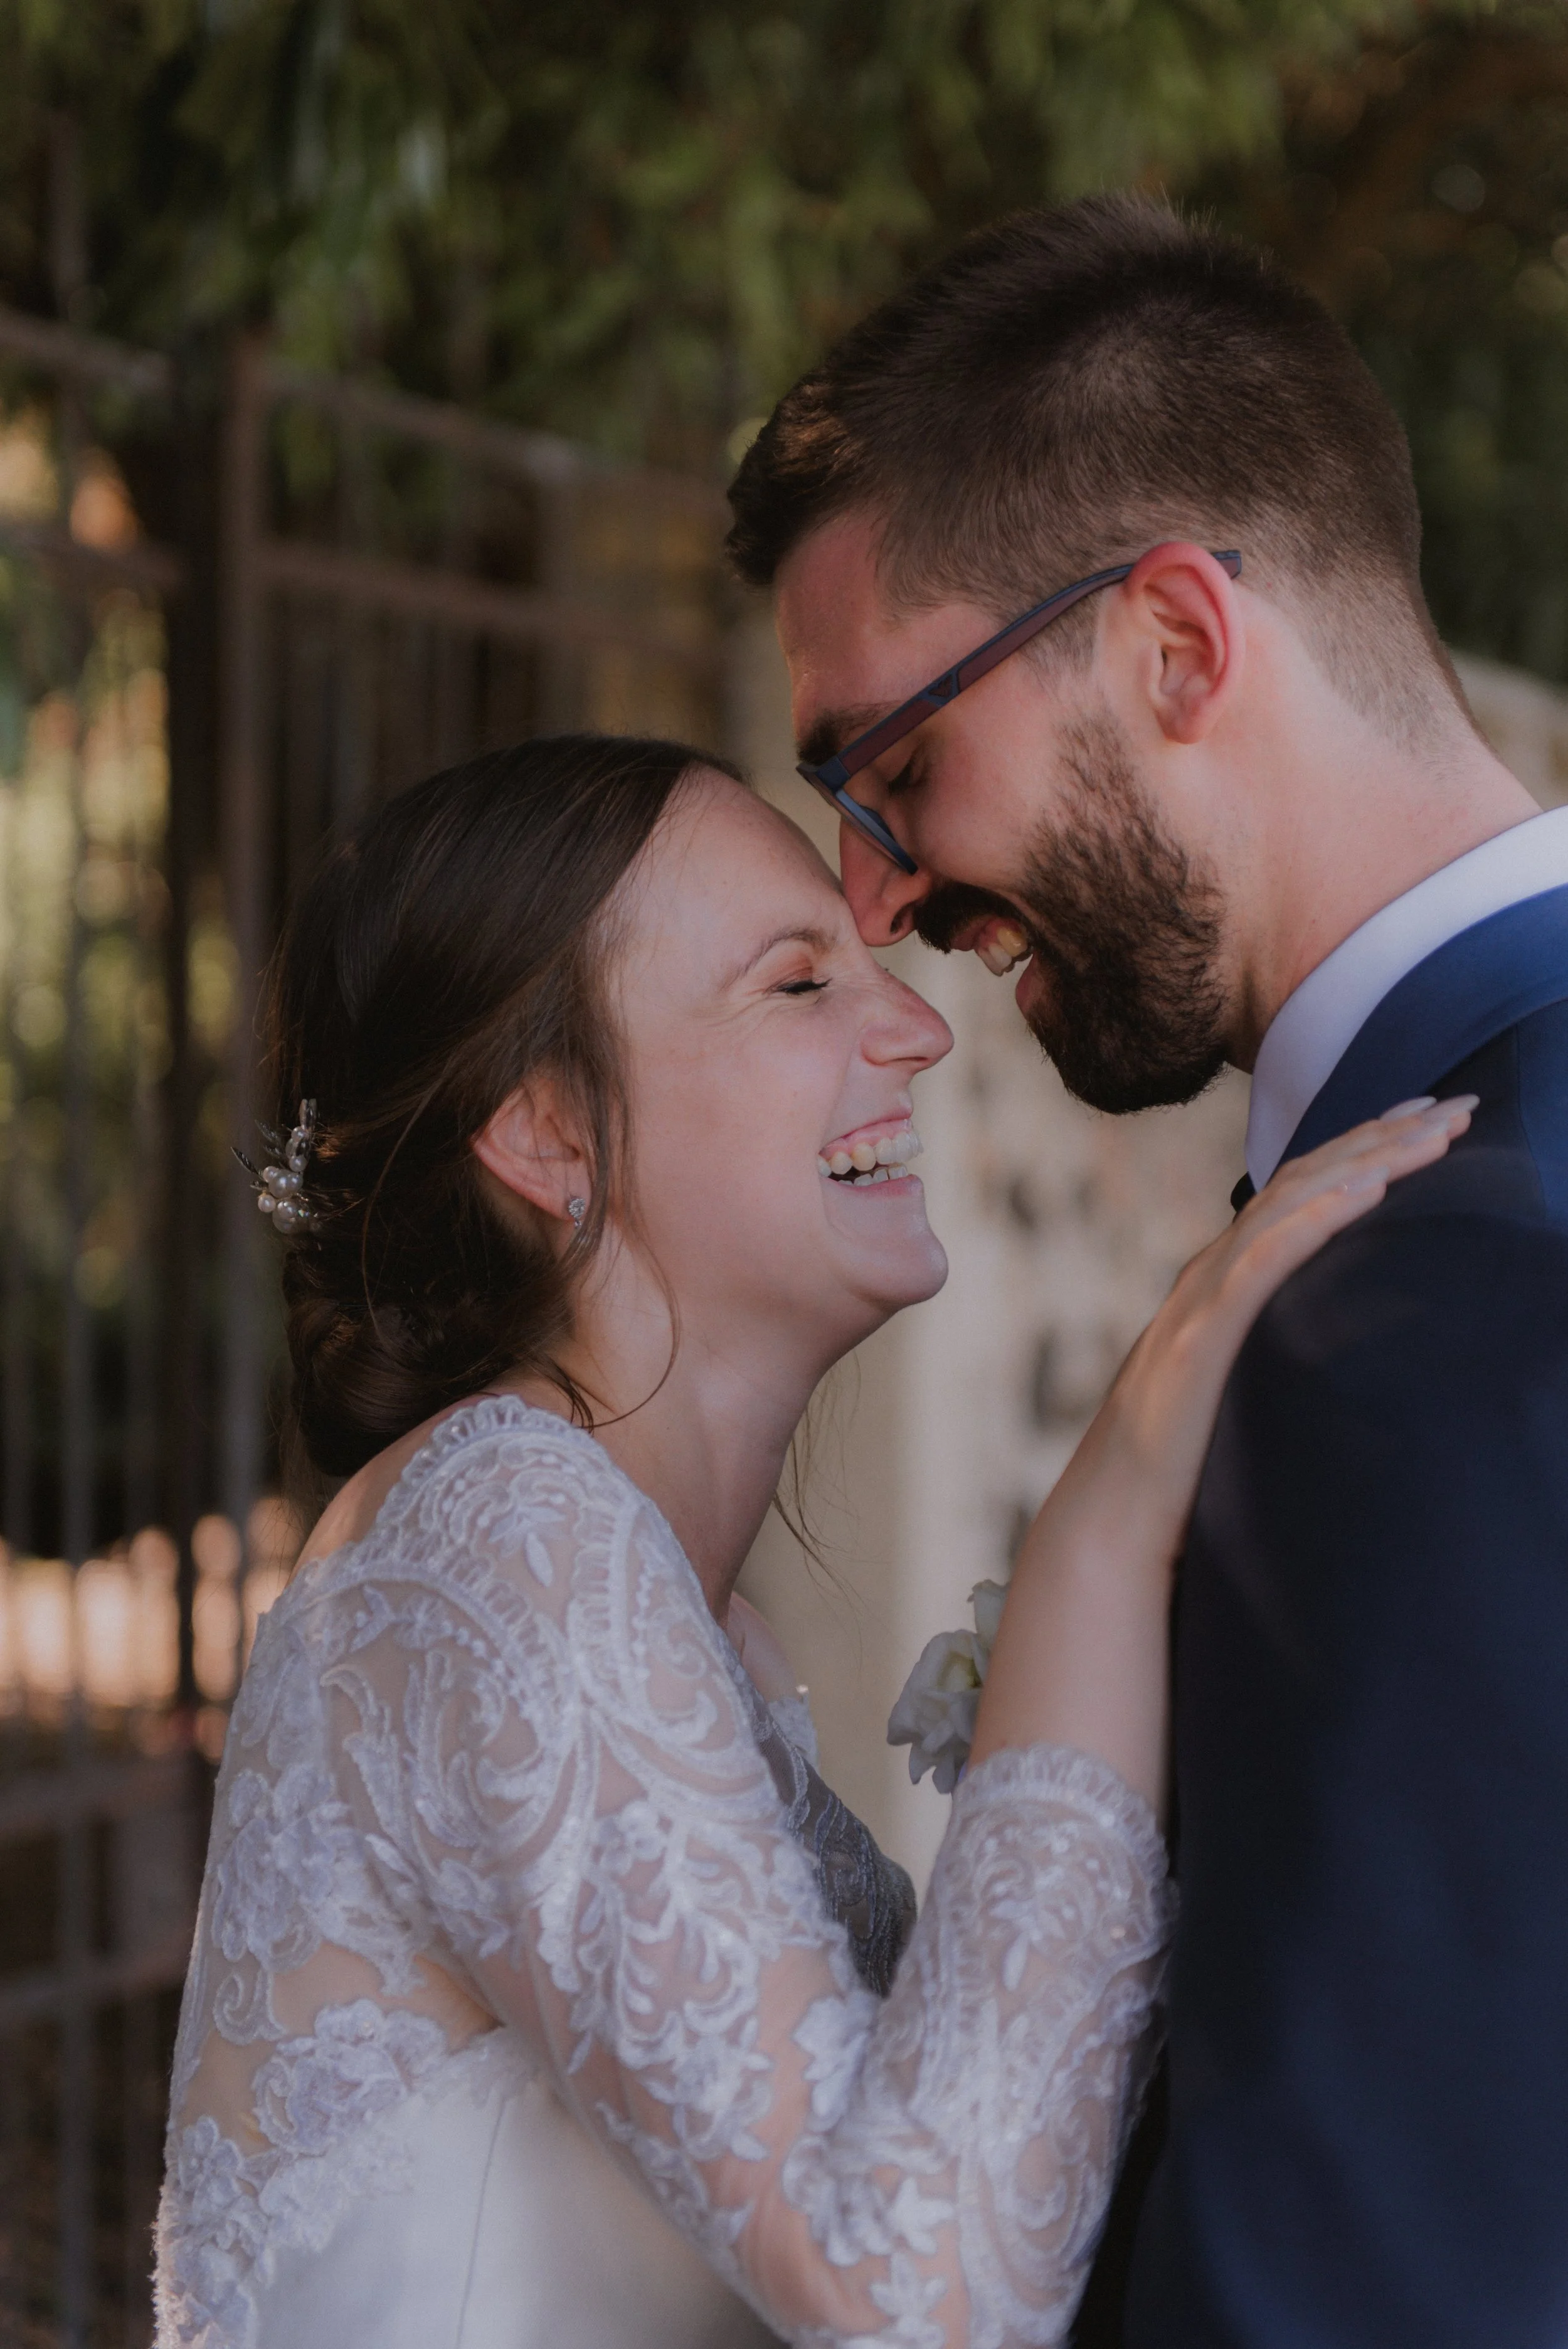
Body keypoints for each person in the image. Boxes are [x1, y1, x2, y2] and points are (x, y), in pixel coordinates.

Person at [154, 733, 1462, 2349]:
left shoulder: (692, 1623)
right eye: (795, 986)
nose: (916, 1030)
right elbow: (917, 2294)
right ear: (548, 1137)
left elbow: (994, 2151)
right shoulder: (497, 1525)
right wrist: (1104, 1529)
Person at [728, 191, 1568, 2346]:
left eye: (897, 768)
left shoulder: (1432, 1271)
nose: (878, 891)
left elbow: (1365, 2269)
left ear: (1178, 643)